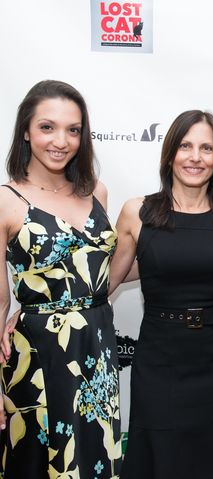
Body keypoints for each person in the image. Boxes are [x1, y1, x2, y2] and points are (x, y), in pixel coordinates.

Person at [109, 110, 213, 478]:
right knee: (163, 463)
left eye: (206, 148)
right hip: (160, 361)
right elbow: (105, 282)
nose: (195, 157)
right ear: (170, 154)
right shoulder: (138, 212)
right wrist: (40, 304)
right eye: (185, 146)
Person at [0, 80, 121, 478]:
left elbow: (99, 270)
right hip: (38, 356)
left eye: (73, 130)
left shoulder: (95, 192)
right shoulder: (7, 199)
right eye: (47, 127)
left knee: (93, 460)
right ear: (25, 131)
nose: (61, 140)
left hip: (96, 349)